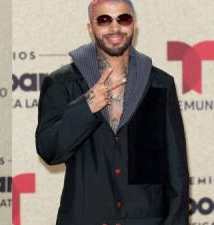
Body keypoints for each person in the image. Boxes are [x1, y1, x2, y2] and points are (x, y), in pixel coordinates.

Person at [35, 0, 189, 225]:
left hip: (146, 219)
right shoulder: (62, 83)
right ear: (91, 28)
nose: (114, 28)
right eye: (104, 20)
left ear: (134, 25)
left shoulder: (159, 83)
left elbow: (176, 168)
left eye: (123, 19)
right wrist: (86, 107)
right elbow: (49, 151)